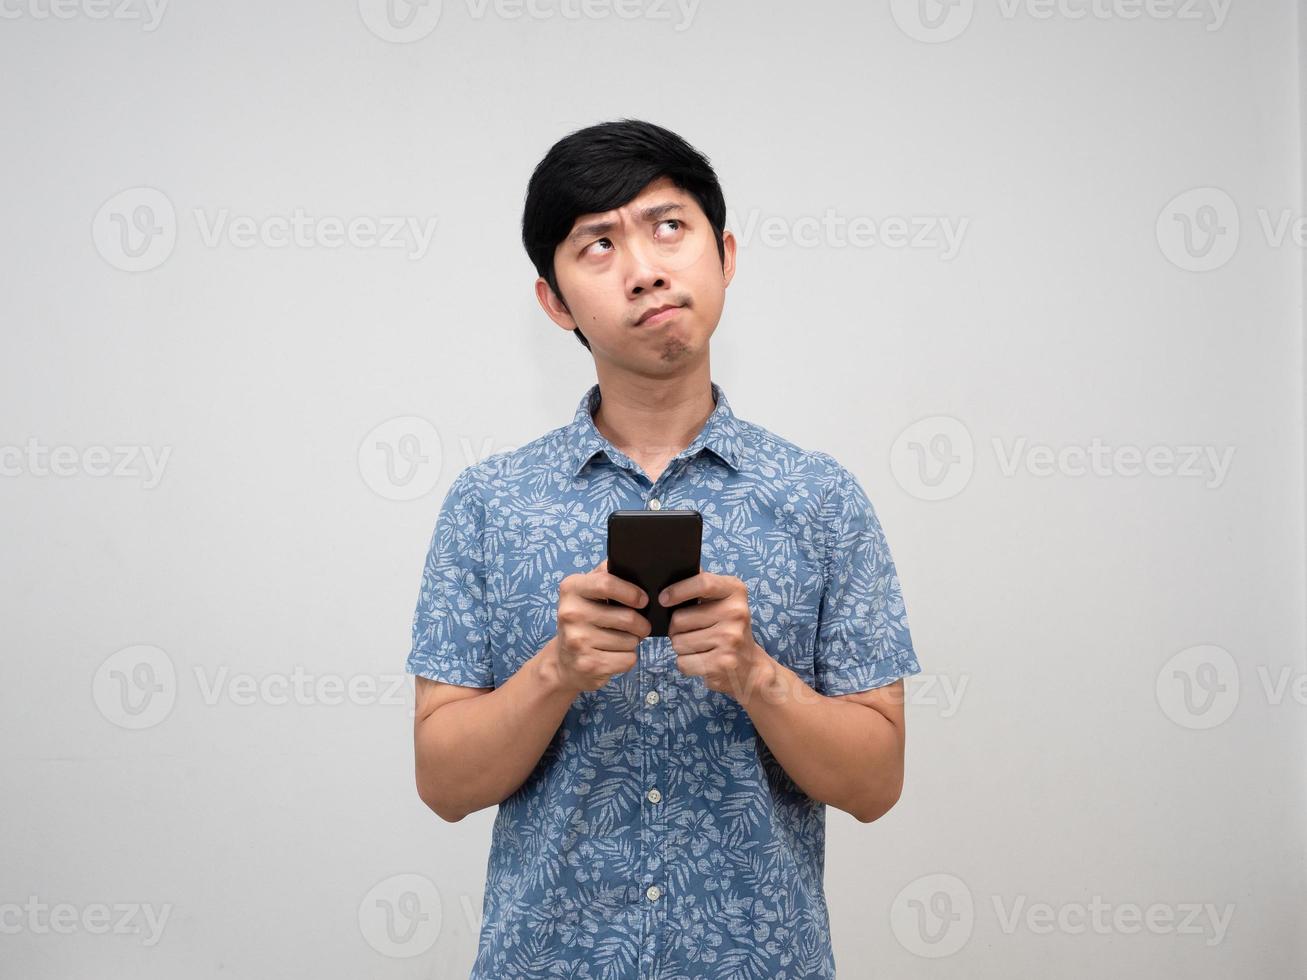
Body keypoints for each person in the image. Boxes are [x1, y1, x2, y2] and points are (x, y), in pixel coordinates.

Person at [407, 118, 922, 979]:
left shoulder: (819, 498)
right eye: (597, 244)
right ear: (555, 302)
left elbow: (874, 785)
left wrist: (755, 673)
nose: (644, 267)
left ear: (723, 253)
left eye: (667, 226)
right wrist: (555, 671)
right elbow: (443, 785)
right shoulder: (489, 505)